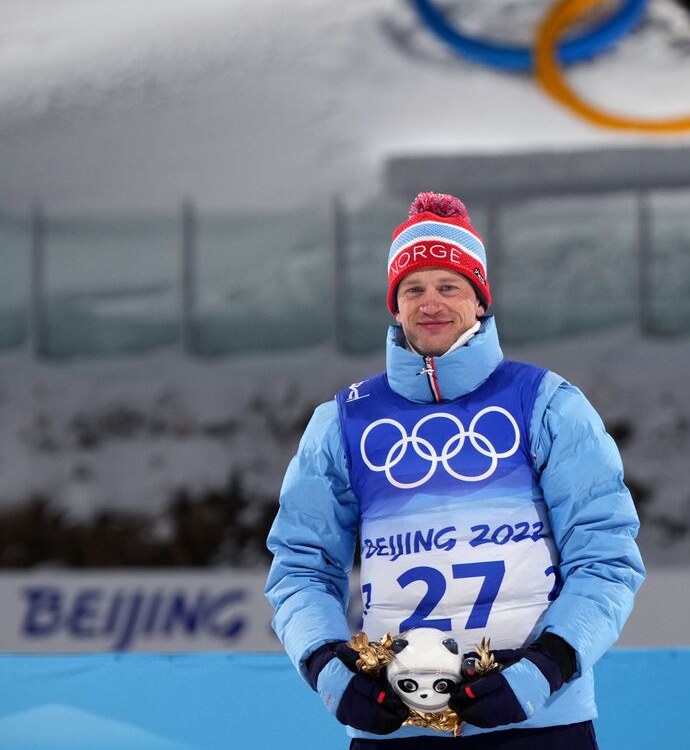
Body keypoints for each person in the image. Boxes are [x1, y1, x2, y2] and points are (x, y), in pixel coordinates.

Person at [266, 192, 644, 749]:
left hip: (538, 721)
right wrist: (329, 669)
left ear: (479, 301)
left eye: (450, 286)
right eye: (413, 289)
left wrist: (545, 669)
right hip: (397, 726)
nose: (431, 303)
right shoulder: (343, 420)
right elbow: (300, 567)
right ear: (395, 306)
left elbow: (606, 558)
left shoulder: (546, 403)